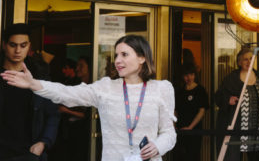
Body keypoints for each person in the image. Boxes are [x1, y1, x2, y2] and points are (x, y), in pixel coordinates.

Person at [2, 34, 175, 161]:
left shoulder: (162, 89)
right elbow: (67, 93)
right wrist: (34, 84)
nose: (117, 60)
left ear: (142, 58)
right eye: (116, 55)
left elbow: (169, 133)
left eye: (124, 54)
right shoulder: (106, 87)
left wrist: (158, 147)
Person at [0, 23, 60, 161]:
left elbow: (53, 115)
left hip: (30, 153)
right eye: (13, 45)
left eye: (23, 45)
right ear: (4, 45)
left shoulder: (39, 77)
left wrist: (43, 142)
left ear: (29, 46)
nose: (18, 51)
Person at [216, 47, 259, 161]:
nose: (249, 62)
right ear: (239, 62)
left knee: (257, 157)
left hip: (258, 129)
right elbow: (218, 97)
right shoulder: (231, 79)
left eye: (251, 59)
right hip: (237, 130)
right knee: (233, 156)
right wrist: (228, 99)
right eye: (245, 59)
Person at [176, 66, 209, 161]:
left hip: (195, 130)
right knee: (181, 156)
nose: (189, 78)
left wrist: (190, 127)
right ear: (182, 76)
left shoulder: (200, 90)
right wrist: (174, 126)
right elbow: (175, 110)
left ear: (195, 75)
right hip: (180, 129)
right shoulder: (179, 91)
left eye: (191, 74)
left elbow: (202, 111)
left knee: (193, 155)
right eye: (186, 75)